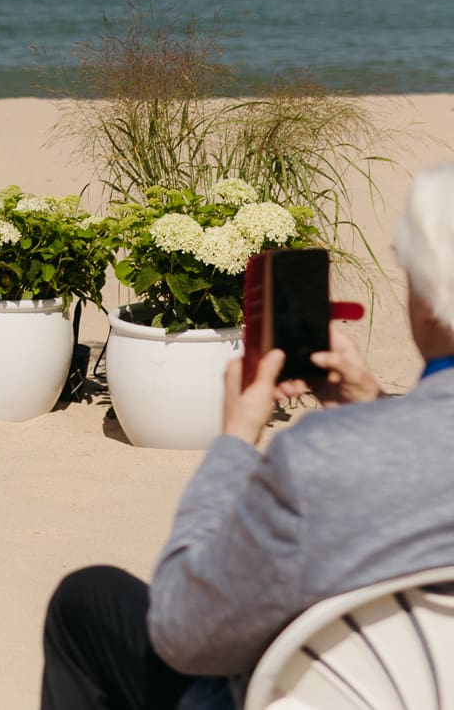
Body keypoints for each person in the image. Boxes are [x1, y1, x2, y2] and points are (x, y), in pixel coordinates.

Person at [41, 163, 454, 710]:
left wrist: (236, 438)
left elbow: (184, 632)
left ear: (429, 297)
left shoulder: (325, 459)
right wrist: (377, 412)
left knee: (85, 603)